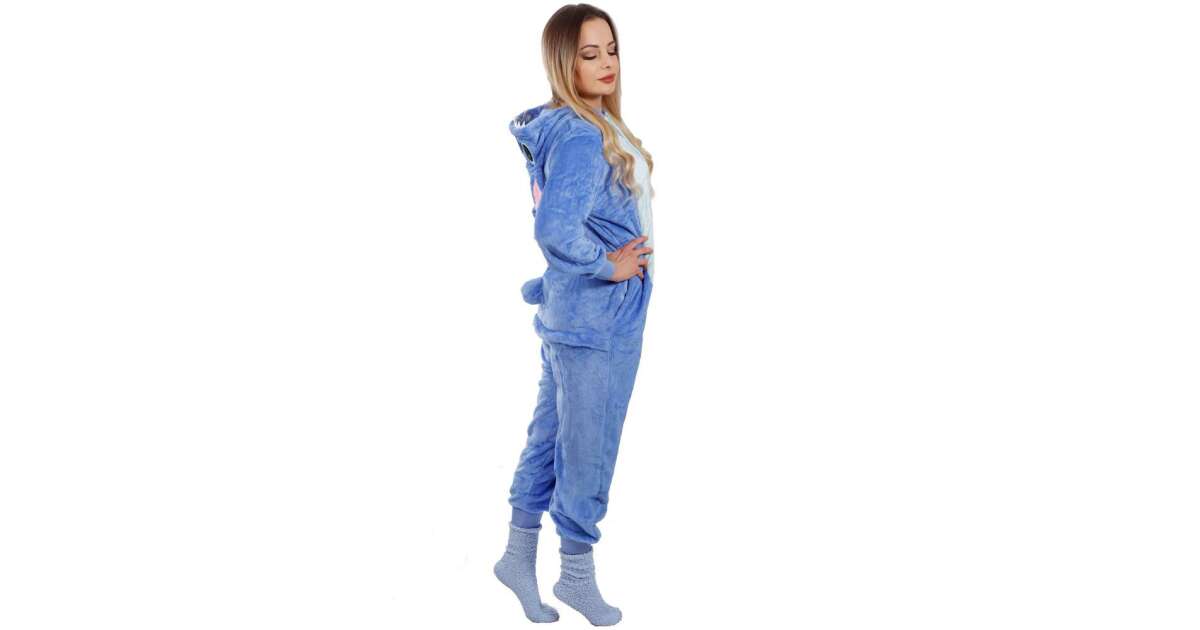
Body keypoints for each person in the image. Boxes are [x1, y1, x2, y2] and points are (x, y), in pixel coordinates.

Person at [492, 4, 655, 626]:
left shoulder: (575, 124)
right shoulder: (585, 136)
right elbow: (556, 228)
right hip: (598, 322)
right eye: (589, 54)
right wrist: (607, 266)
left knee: (549, 438)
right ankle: (576, 575)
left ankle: (517, 556)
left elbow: (568, 217)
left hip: (572, 314)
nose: (606, 63)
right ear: (564, 62)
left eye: (611, 50)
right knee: (589, 446)